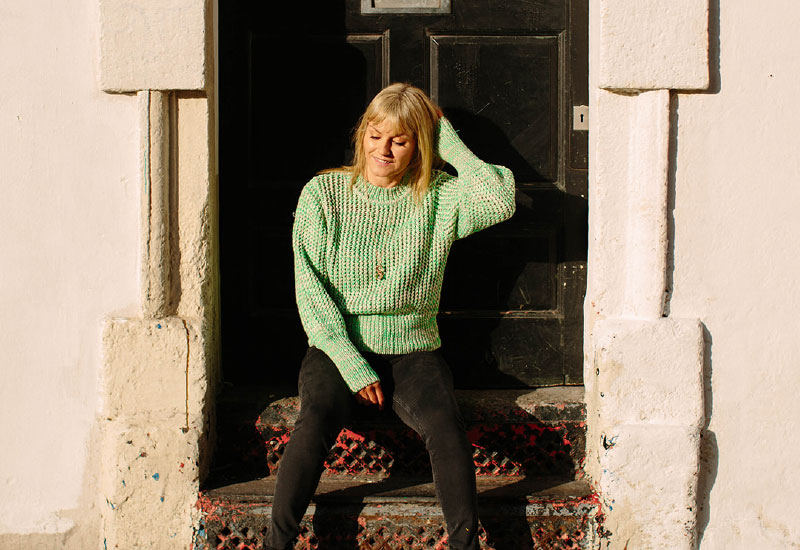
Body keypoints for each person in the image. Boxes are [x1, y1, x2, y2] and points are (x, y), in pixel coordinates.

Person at [265, 83, 516, 550]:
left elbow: (500, 199)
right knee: (315, 417)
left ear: (419, 146)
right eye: (376, 136)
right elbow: (310, 289)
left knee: (445, 426)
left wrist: (448, 139)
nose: (384, 150)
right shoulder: (324, 192)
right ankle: (277, 544)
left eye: (400, 140)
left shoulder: (439, 197)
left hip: (413, 346)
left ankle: (468, 546)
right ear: (362, 134)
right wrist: (350, 363)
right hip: (338, 343)